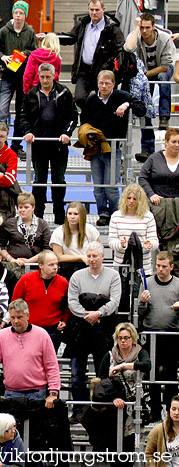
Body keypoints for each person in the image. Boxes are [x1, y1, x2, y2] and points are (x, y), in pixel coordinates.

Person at [80, 70, 145, 226]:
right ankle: (102, 212)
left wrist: (127, 104)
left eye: (107, 83)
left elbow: (141, 108)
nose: (103, 86)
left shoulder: (121, 96)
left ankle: (116, 213)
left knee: (111, 186)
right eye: (101, 83)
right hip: (95, 148)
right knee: (98, 186)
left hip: (114, 148)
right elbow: (83, 121)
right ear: (97, 84)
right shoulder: (91, 101)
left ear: (113, 84)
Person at [66, 241, 121, 423]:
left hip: (103, 329)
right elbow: (72, 301)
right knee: (76, 375)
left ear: (103, 257)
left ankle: (101, 410)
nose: (91, 259)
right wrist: (86, 315)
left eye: (94, 256)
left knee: (102, 373)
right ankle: (78, 410)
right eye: (88, 256)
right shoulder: (77, 276)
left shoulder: (113, 275)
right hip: (80, 330)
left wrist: (99, 313)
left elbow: (114, 302)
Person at [21, 62, 78, 223]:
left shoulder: (64, 93)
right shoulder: (31, 94)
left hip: (59, 145)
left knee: (58, 180)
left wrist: (67, 133)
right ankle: (38, 213)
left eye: (48, 77)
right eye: (42, 77)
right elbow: (23, 117)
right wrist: (28, 132)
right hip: (39, 144)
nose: (45, 80)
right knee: (39, 180)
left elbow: (74, 116)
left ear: (54, 76)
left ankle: (59, 213)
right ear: (38, 77)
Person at [0, 299, 61, 410]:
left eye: (19, 317)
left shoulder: (42, 335)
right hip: (11, 394)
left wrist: (53, 393)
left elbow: (52, 366)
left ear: (28, 316)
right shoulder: (1, 336)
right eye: (12, 317)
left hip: (38, 394)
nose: (15, 321)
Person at [0, 1, 37, 156]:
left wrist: (24, 54)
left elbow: (34, 51)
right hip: (8, 76)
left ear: (25, 15)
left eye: (21, 13)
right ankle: (1, 143)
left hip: (24, 77)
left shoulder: (30, 32)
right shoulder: (4, 31)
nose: (18, 16)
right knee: (2, 110)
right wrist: (2, 57)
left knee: (21, 112)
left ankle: (16, 145)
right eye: (16, 12)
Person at [125, 13, 175, 155]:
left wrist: (145, 75)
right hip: (143, 76)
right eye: (142, 27)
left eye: (147, 27)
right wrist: (136, 28)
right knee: (144, 106)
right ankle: (147, 149)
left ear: (154, 27)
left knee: (162, 77)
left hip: (158, 72)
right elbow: (128, 48)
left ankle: (164, 116)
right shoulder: (137, 37)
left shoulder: (165, 39)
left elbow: (165, 66)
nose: (144, 31)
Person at [58, 0, 124, 108]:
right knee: (79, 99)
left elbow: (120, 49)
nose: (94, 13)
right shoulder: (83, 24)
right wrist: (51, 37)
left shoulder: (112, 28)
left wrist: (109, 66)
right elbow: (70, 37)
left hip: (103, 71)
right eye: (91, 10)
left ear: (103, 10)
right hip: (85, 71)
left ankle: (99, 121)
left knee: (105, 102)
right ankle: (89, 119)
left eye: (97, 10)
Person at [97, 322, 152, 452]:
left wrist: (123, 366)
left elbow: (147, 365)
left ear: (132, 338)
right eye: (120, 338)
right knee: (113, 445)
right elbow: (101, 379)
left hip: (134, 404)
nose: (123, 341)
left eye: (126, 338)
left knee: (131, 445)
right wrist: (113, 397)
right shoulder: (110, 355)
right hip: (115, 404)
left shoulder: (140, 352)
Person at [139, 252, 179, 421]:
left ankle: (172, 411)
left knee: (170, 375)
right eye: (157, 266)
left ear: (171, 267)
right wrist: (142, 302)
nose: (160, 270)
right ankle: (154, 410)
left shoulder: (177, 285)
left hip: (172, 336)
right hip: (151, 335)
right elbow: (139, 313)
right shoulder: (147, 283)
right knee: (152, 375)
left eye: (164, 266)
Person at [11, 250, 70, 349]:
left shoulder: (63, 283)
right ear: (41, 265)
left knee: (48, 362)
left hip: (53, 331)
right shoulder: (26, 280)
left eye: (56, 264)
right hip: (29, 329)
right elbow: (15, 303)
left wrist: (65, 320)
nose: (55, 267)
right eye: (51, 265)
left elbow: (68, 306)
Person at [108, 183, 159, 275]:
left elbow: (155, 241)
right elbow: (111, 241)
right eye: (129, 198)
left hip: (143, 266)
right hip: (121, 266)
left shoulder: (148, 217)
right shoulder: (116, 216)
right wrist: (121, 245)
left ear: (140, 201)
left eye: (135, 199)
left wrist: (149, 244)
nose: (131, 201)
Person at [0, 191, 51, 265]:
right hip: (13, 264)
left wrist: (29, 261)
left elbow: (47, 249)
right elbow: (0, 245)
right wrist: (11, 260)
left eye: (26, 207)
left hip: (36, 265)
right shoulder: (9, 224)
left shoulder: (43, 224)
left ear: (33, 207)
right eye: (20, 207)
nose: (22, 210)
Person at [50, 201, 101, 279]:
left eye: (76, 214)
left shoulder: (91, 230)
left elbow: (99, 250)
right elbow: (59, 257)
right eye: (69, 214)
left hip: (88, 266)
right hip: (66, 268)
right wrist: (80, 257)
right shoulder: (58, 232)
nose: (72, 217)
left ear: (82, 216)